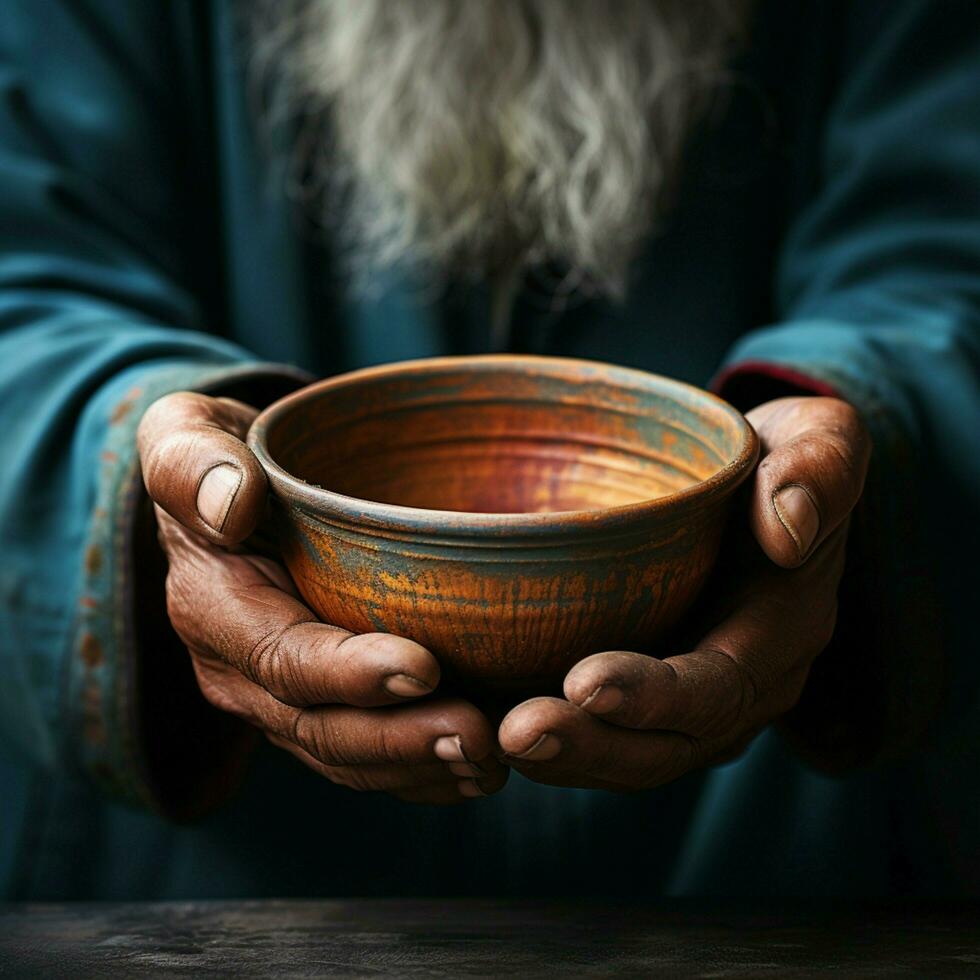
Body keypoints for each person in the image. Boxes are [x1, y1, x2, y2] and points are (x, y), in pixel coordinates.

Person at [1, 0, 977, 900]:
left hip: (792, 869)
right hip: (209, 889)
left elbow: (945, 245)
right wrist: (165, 499)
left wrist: (841, 442)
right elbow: (24, 276)